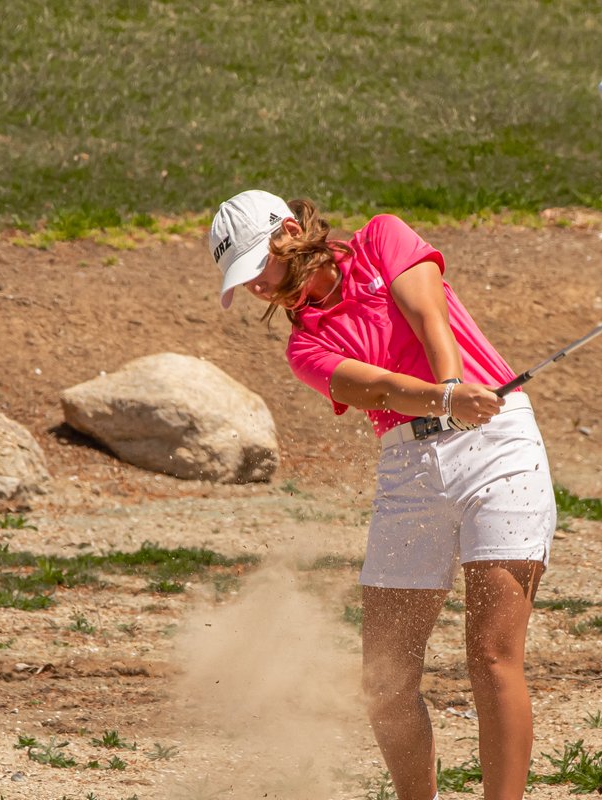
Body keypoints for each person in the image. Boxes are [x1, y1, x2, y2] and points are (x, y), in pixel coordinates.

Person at [209, 189, 557, 800]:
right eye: (246, 280)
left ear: (291, 232)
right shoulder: (304, 347)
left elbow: (430, 318)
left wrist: (454, 387)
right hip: (409, 466)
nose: (258, 290)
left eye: (257, 266)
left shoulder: (382, 238)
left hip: (499, 446)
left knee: (493, 656)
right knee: (387, 679)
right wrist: (445, 401)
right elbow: (379, 390)